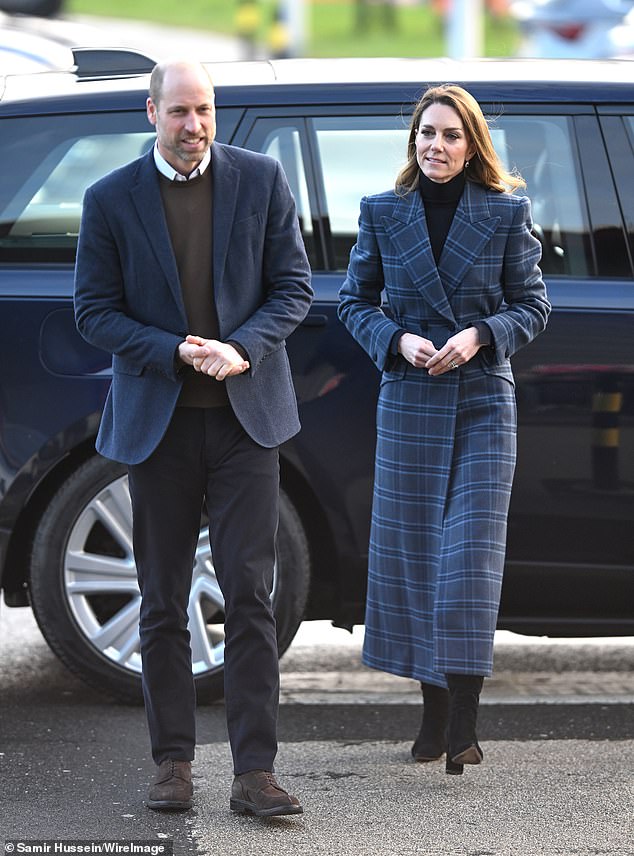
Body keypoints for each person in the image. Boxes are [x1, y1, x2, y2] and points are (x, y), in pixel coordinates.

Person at [74, 59, 313, 814]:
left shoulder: (261, 179)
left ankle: (254, 772)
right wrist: (173, 350)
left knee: (249, 595)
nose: (194, 125)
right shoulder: (109, 198)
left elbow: (294, 288)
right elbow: (94, 312)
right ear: (152, 113)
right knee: (162, 599)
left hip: (247, 421)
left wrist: (241, 347)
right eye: (179, 111)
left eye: (204, 110)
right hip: (161, 425)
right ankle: (173, 764)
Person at [338, 84, 550, 775]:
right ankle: (433, 717)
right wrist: (397, 340)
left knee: (468, 565)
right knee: (418, 562)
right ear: (414, 139)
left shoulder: (505, 211)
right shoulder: (382, 210)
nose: (436, 144)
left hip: (483, 401)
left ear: (472, 144)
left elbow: (533, 306)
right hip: (409, 399)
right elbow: (354, 303)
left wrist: (480, 335)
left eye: (451, 135)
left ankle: (464, 722)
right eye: (427, 132)